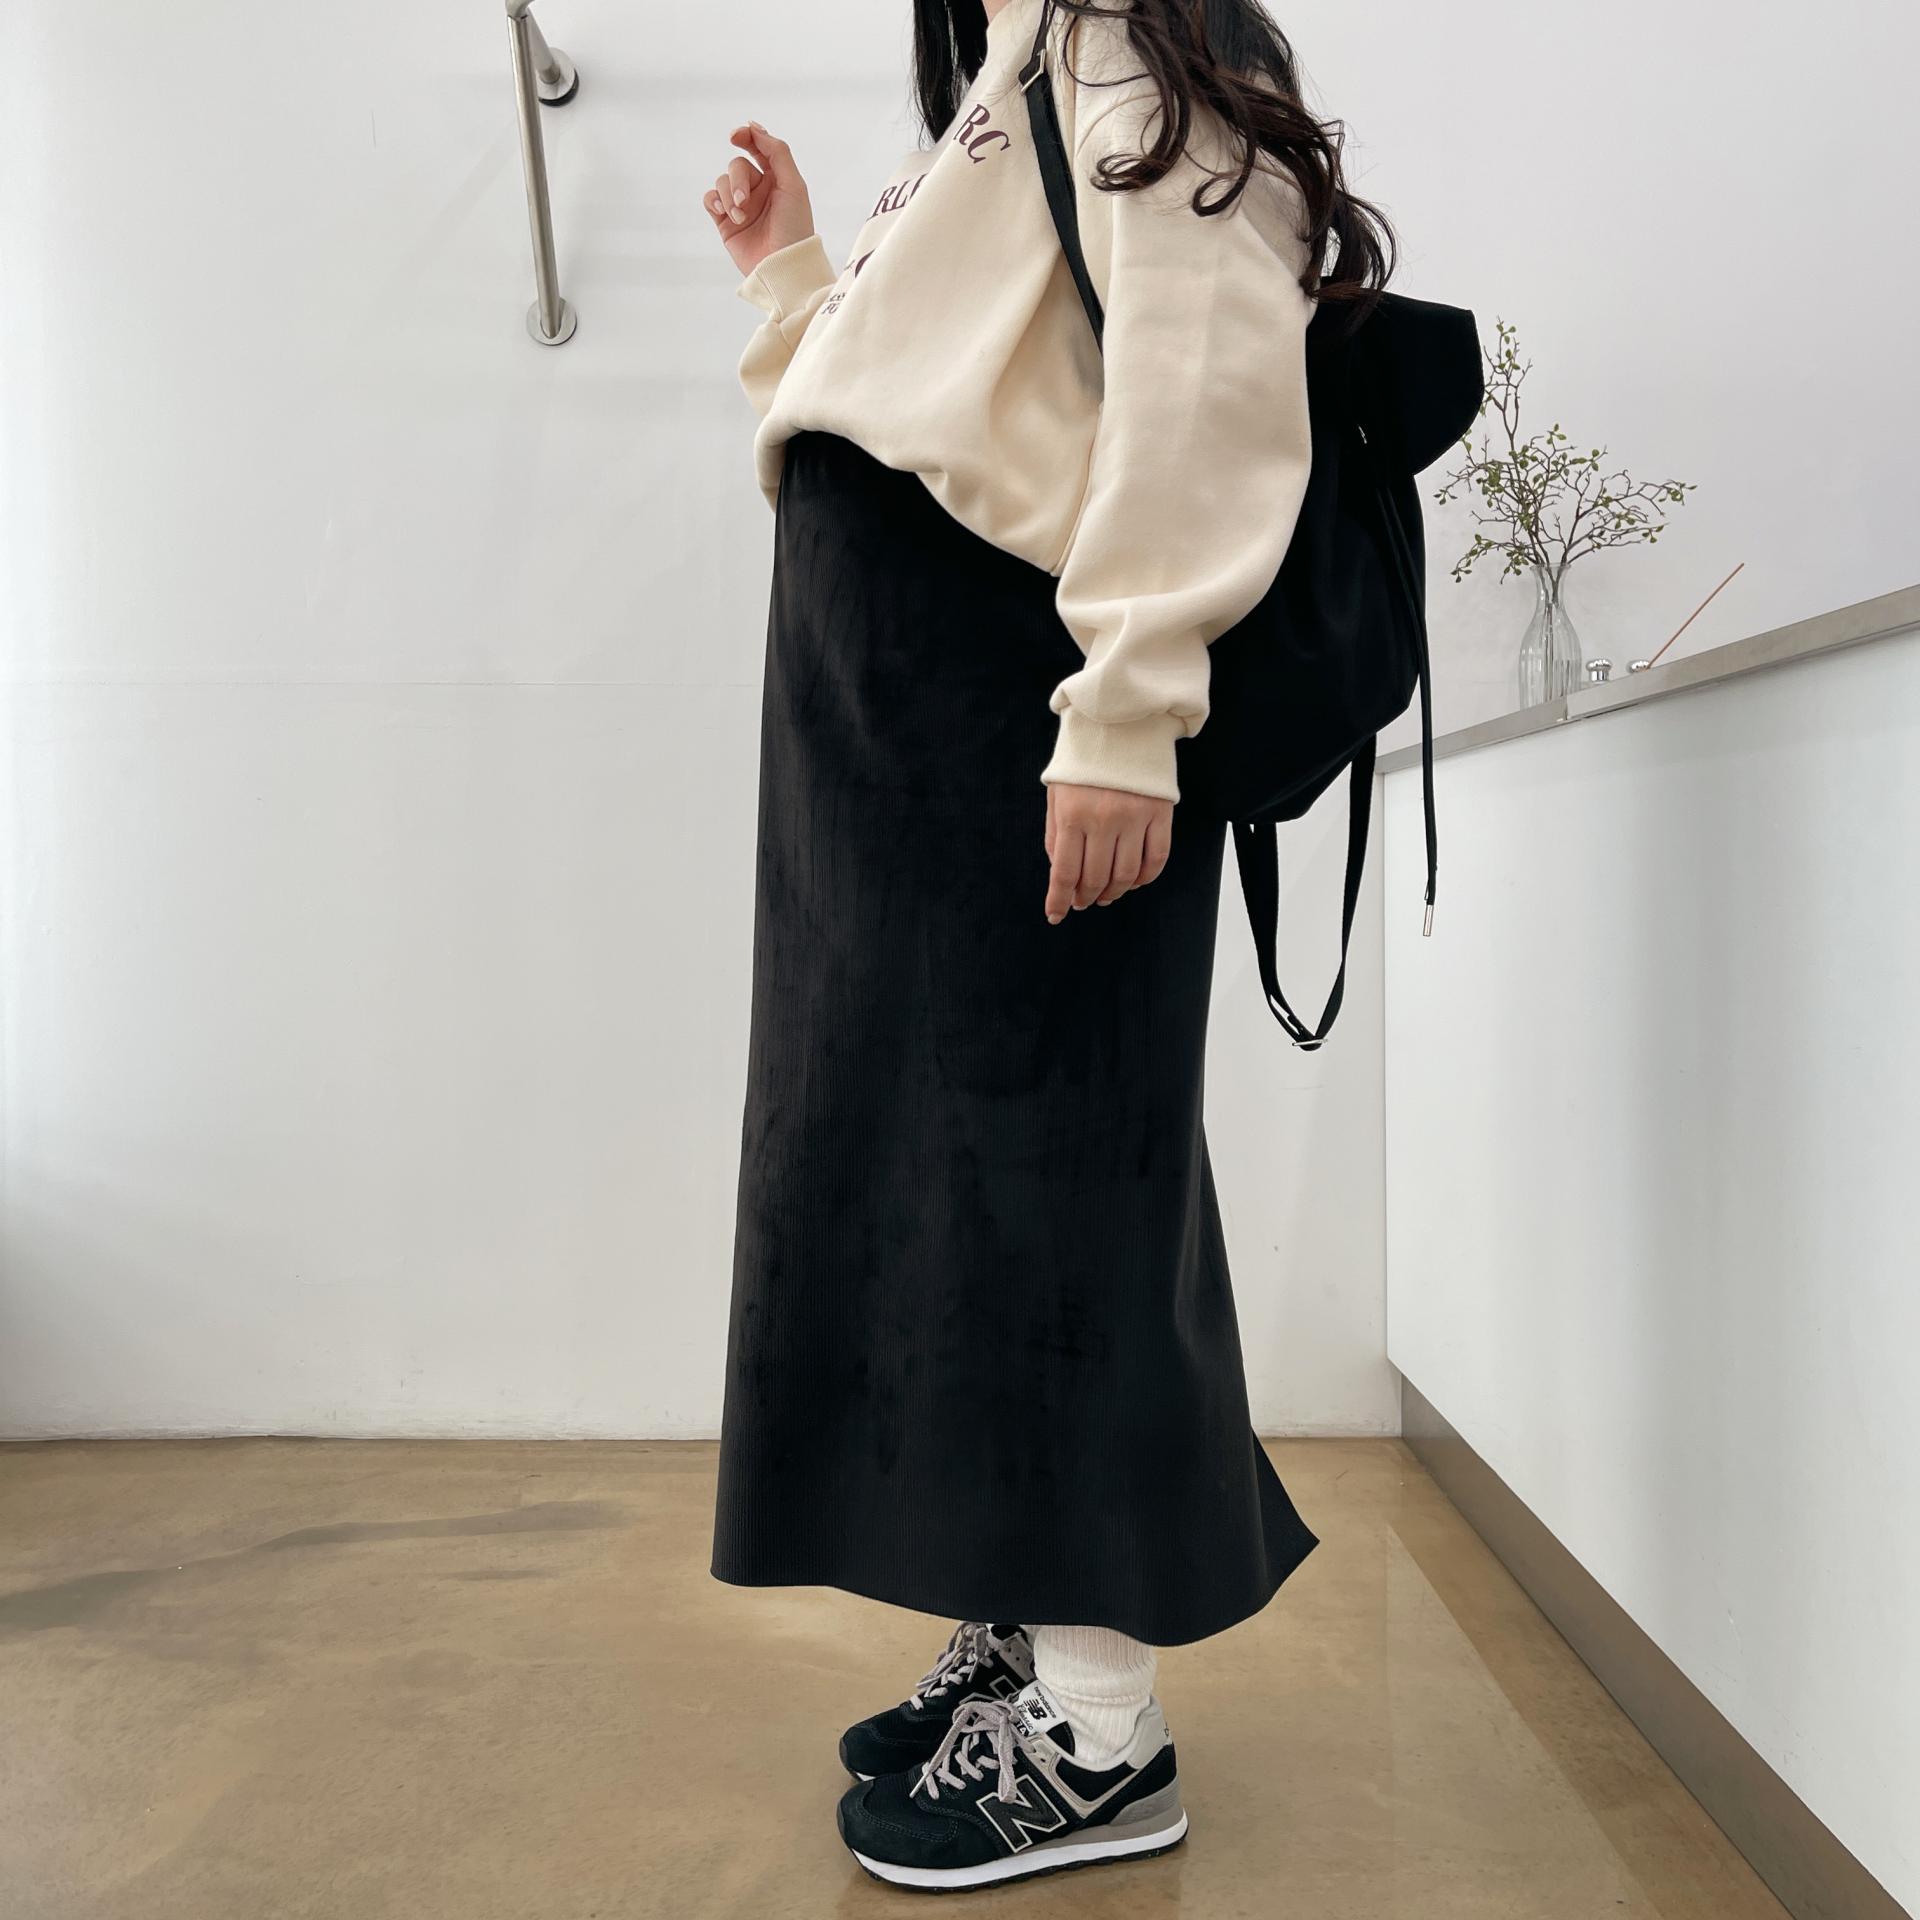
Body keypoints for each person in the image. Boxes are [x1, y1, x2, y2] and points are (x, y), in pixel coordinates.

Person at [700, 0, 1393, 1892]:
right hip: (904, 732)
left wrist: (1128, 711)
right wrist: (793, 276)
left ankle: (1101, 1734)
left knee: (1048, 1184)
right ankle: (1020, 1628)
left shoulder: (1138, 39)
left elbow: (1205, 372)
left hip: (1020, 713)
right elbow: (940, 396)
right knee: (934, 1184)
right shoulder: (1010, 70)